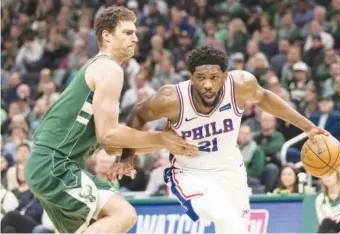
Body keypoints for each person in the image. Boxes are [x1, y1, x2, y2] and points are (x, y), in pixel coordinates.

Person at [24, 6, 197, 234]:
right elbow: (109, 134)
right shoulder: (108, 68)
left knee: (100, 227)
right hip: (55, 165)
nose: (135, 38)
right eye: (127, 32)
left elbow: (110, 144)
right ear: (106, 36)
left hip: (50, 165)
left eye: (135, 32)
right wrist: (161, 139)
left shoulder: (102, 69)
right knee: (123, 215)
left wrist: (165, 143)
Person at [120, 45, 328, 233]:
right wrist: (127, 156)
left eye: (214, 77)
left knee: (235, 226)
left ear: (225, 76)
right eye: (201, 78)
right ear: (191, 78)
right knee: (226, 217)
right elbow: (138, 114)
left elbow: (265, 98)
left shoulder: (240, 85)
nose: (208, 85)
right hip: (192, 173)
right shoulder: (172, 99)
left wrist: (307, 127)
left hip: (231, 168)